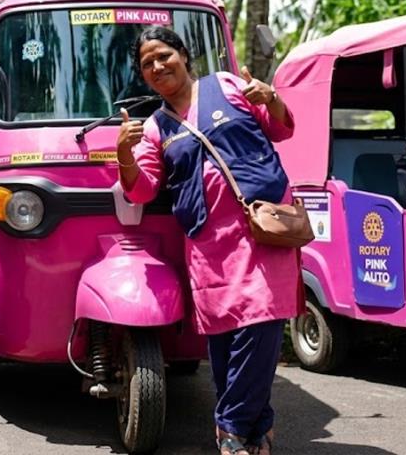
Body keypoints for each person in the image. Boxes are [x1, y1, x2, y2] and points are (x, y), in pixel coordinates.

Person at [117, 26, 302, 455]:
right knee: (223, 340)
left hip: (263, 231)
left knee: (261, 326)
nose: (157, 66)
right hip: (208, 244)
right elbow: (141, 190)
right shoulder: (155, 128)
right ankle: (257, 429)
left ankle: (230, 428)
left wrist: (271, 97)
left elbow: (281, 129)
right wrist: (124, 153)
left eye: (163, 55)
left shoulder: (228, 85)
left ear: (183, 55)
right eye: (147, 64)